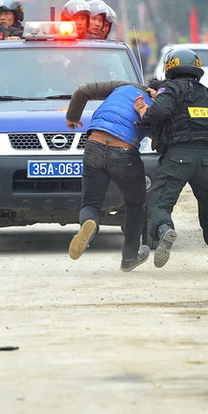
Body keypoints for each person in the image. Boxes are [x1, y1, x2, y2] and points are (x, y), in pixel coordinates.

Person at [135, 48, 208, 273]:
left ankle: (165, 230)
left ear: (170, 69)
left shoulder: (169, 88)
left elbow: (159, 112)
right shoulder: (207, 95)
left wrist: (144, 111)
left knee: (160, 204)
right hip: (206, 160)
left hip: (177, 157)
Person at [65, 80, 154, 271]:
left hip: (94, 144)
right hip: (123, 151)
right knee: (135, 204)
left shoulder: (123, 86)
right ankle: (129, 257)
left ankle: (90, 226)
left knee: (90, 204)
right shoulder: (159, 104)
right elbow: (162, 140)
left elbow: (83, 90)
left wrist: (72, 117)